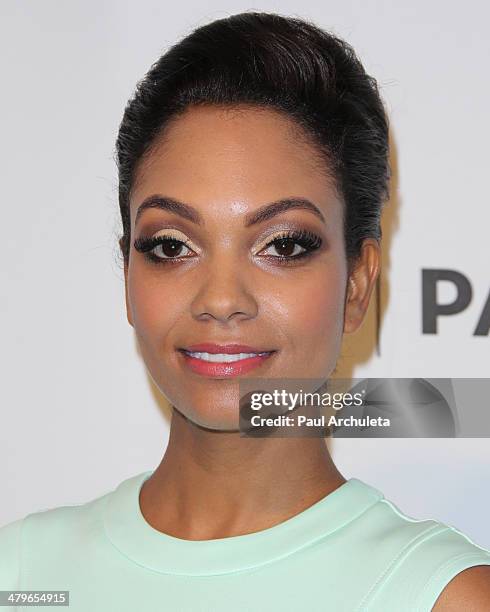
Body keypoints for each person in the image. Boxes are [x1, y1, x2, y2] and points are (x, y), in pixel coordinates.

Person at [1, 11, 489, 611]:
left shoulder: (440, 596)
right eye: (172, 246)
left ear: (358, 285)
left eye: (283, 245)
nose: (221, 300)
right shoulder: (21, 573)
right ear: (129, 275)